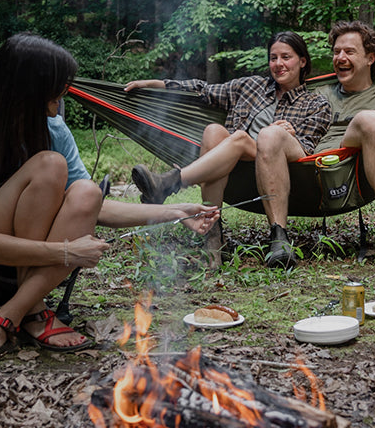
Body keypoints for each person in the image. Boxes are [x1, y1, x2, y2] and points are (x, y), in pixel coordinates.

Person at [0, 34, 218, 361]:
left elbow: (95, 208)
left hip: (30, 263)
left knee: (87, 190)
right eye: (57, 91)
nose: (62, 98)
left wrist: (176, 211)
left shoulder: (54, 129)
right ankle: (28, 313)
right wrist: (67, 251)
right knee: (50, 165)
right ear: (30, 91)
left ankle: (11, 316)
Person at [123, 32, 332, 265]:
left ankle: (171, 182)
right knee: (214, 131)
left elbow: (307, 149)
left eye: (286, 57)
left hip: (284, 167)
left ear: (302, 61)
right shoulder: (250, 86)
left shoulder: (316, 103)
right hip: (236, 167)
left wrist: (286, 134)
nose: (278, 64)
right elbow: (202, 90)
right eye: (273, 58)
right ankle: (213, 238)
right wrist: (155, 84)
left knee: (258, 135)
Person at [255, 21, 375, 267]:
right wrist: (287, 128)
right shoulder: (317, 93)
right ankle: (279, 237)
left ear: (370, 58)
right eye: (336, 52)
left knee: (370, 118)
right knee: (268, 134)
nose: (340, 57)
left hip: (354, 169)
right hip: (307, 165)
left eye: (349, 52)